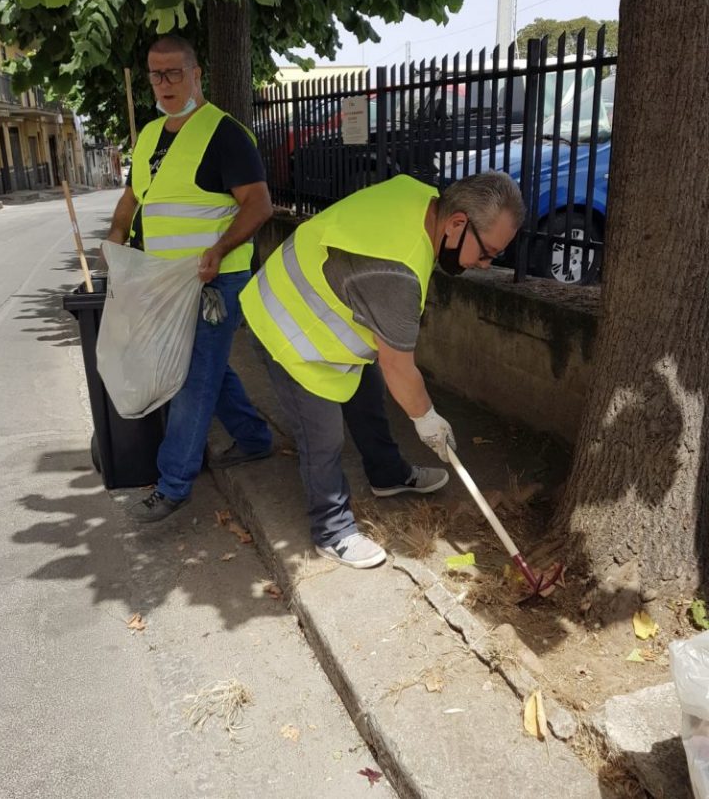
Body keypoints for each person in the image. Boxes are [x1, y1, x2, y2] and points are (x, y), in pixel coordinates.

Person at [240, 171, 524, 568]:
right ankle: (332, 529)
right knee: (322, 435)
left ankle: (387, 473)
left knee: (367, 390)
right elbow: (400, 369)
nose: (484, 264)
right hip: (287, 329)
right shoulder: (396, 274)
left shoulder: (419, 194)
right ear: (457, 223)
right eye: (487, 252)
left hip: (310, 296)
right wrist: (426, 418)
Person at [107, 35, 273, 522]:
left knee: (192, 377)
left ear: (197, 74)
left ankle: (174, 483)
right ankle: (255, 439)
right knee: (209, 369)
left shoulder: (225, 134)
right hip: (167, 281)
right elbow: (134, 196)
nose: (165, 84)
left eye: (175, 73)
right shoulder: (151, 135)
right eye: (156, 75)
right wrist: (117, 233)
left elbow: (259, 205)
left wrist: (220, 250)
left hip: (214, 281)